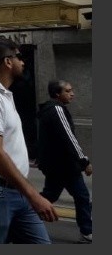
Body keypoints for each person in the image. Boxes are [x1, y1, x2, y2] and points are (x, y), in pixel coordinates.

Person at [0, 39, 56, 243]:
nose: (23, 62)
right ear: (7, 61)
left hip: (17, 189)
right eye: (19, 57)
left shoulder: (2, 94)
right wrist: (33, 195)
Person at [37, 80, 92, 244]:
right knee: (81, 196)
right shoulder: (56, 110)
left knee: (49, 196)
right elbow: (69, 138)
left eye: (72, 90)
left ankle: (22, 214)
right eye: (68, 91)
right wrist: (84, 161)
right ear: (57, 94)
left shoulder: (52, 109)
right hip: (63, 166)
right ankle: (87, 232)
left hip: (59, 165)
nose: (72, 93)